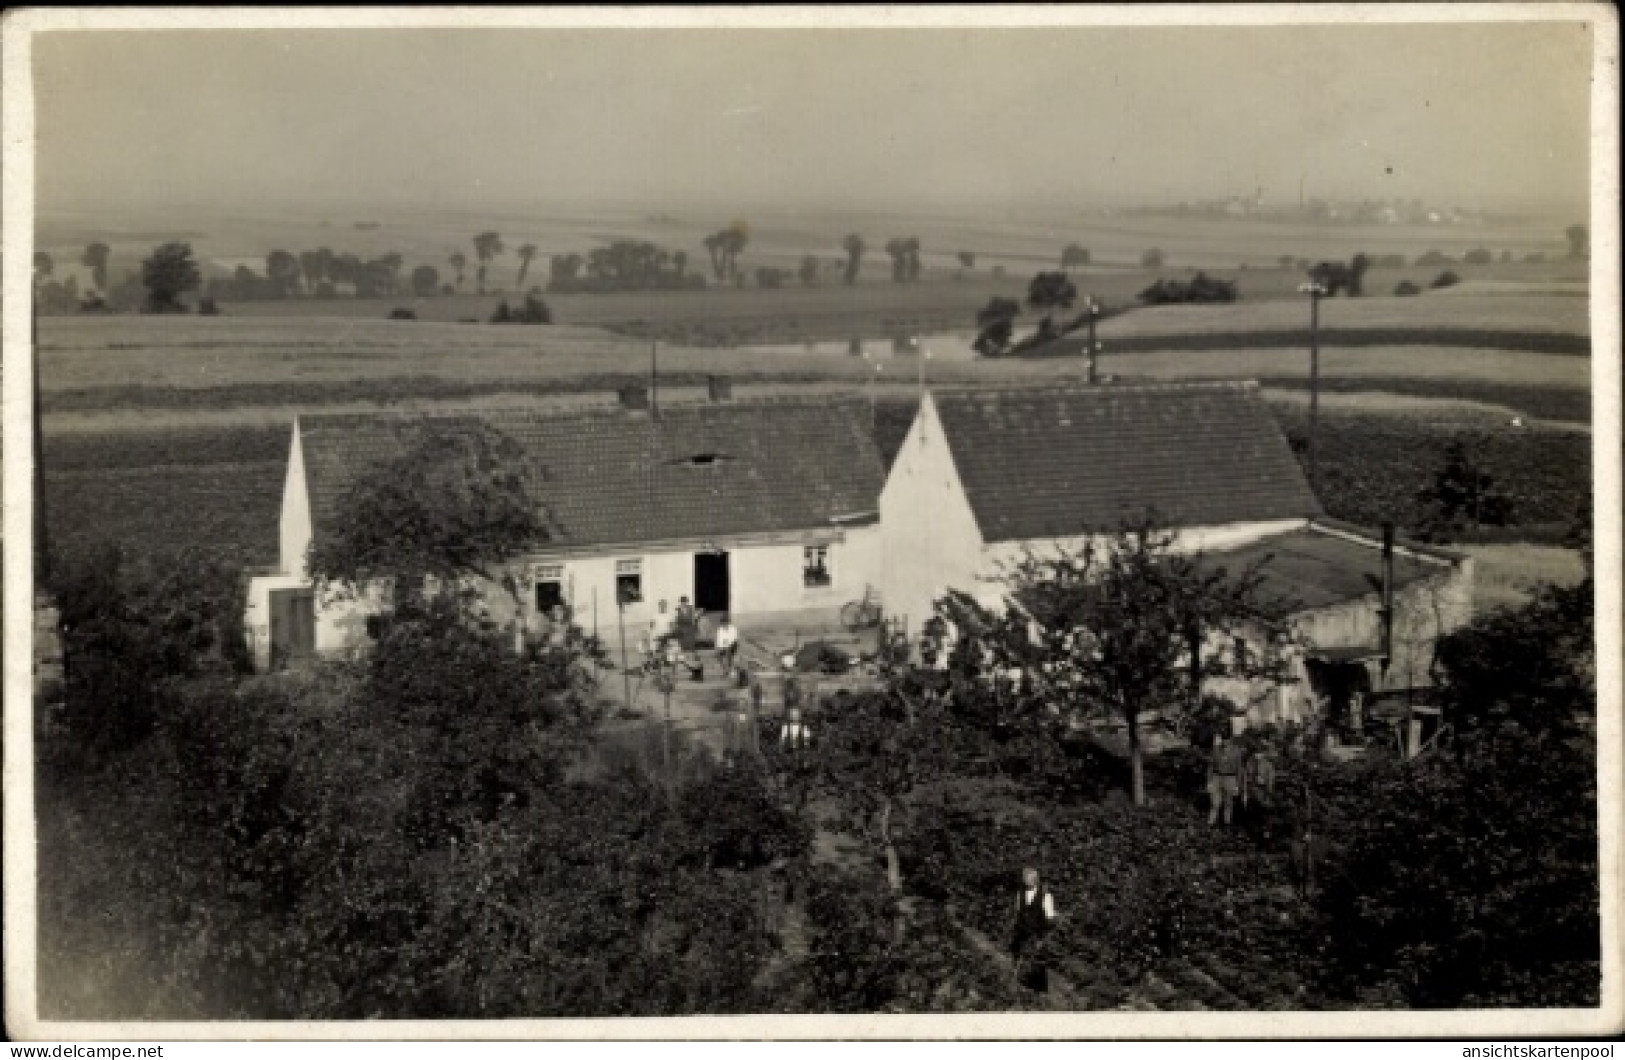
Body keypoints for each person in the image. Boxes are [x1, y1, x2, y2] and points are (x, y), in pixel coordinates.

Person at [1009, 866, 1058, 994]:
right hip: (1021, 931)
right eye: (1024, 878)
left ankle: (1036, 992)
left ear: (1035, 880)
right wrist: (1016, 926)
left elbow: (1050, 917)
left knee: (1035, 961)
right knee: (1017, 957)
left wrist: (1043, 934)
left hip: (1037, 933)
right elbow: (1018, 911)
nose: (1025, 881)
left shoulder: (1046, 896)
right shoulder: (1020, 893)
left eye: (1028, 878)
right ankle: (1016, 985)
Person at [1208, 734, 1242, 826]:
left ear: (1231, 739)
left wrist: (1237, 785)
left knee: (1228, 802)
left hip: (1230, 778)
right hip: (1217, 777)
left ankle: (1227, 823)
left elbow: (1239, 768)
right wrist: (1209, 781)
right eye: (1223, 739)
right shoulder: (1216, 750)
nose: (1225, 741)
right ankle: (1211, 823)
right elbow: (1210, 766)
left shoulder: (1237, 751)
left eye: (1227, 739)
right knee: (1215, 802)